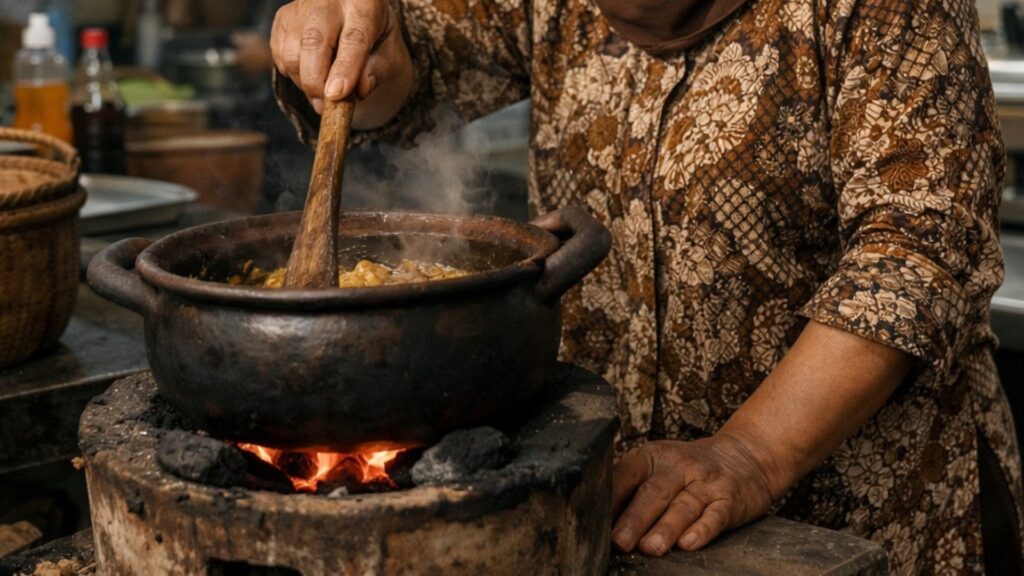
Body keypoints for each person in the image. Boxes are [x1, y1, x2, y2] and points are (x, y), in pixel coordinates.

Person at [269, 0, 1023, 572]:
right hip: (621, 501)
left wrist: (749, 455)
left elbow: (917, 260)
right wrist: (356, 53)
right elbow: (410, 73)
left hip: (860, 519)